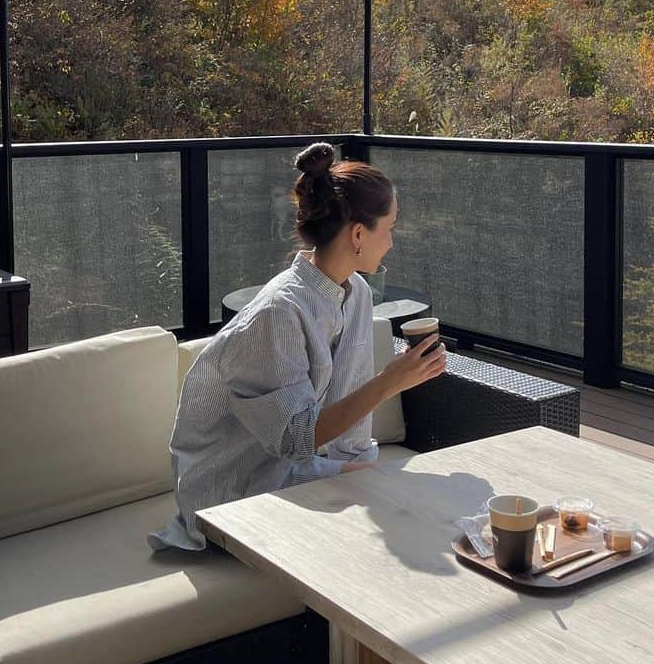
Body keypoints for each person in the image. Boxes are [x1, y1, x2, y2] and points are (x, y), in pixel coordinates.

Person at [150, 141, 447, 551]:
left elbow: (346, 405)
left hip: (295, 472)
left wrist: (361, 470)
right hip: (231, 497)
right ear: (359, 233)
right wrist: (388, 383)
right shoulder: (278, 313)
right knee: (391, 531)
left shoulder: (355, 292)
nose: (392, 243)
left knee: (418, 514)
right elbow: (296, 439)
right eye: (390, 228)